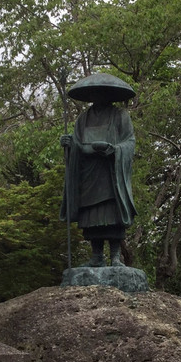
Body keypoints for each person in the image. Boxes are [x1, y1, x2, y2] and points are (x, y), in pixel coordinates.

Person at [60, 73, 137, 267]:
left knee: (113, 213)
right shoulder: (83, 119)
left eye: (102, 92)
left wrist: (114, 150)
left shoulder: (120, 116)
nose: (98, 96)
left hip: (111, 173)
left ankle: (115, 256)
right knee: (91, 215)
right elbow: (77, 144)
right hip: (89, 173)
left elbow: (129, 142)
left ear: (109, 94)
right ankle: (96, 256)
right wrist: (69, 144)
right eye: (94, 92)